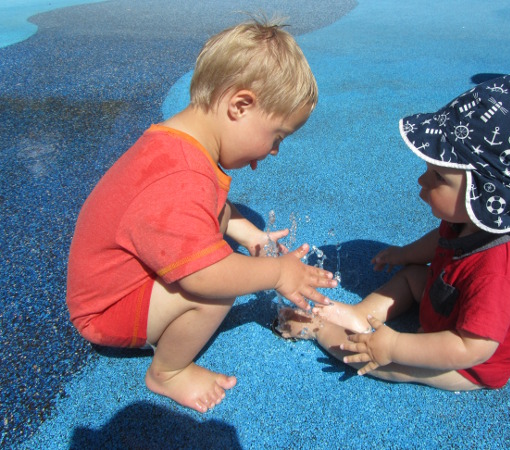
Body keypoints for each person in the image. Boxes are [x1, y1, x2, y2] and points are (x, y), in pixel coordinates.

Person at [66, 18, 337, 414]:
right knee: (219, 284)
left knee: (220, 249)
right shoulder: (181, 180)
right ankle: (168, 372)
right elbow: (205, 277)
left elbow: (213, 206)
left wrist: (245, 232)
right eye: (276, 137)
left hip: (113, 282)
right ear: (240, 106)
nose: (274, 152)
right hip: (108, 310)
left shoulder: (178, 143)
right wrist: (278, 273)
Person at [276, 74, 510, 391]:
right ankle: (360, 315)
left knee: (388, 365)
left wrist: (395, 347)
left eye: (438, 176)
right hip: (450, 301)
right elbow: (441, 240)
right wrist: (405, 254)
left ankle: (317, 328)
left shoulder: (501, 271)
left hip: (468, 363)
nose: (422, 181)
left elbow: (472, 347)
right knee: (413, 275)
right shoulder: (471, 219)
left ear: (483, 194)